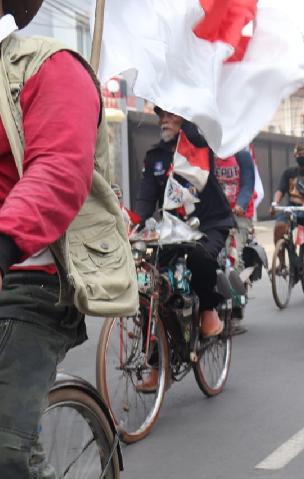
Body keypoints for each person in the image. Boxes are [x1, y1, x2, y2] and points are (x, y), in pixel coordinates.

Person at [0, 3, 105, 475]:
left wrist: (4, 244)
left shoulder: (48, 66)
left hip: (27, 282)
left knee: (4, 450)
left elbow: (59, 170)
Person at [136, 107, 234, 339]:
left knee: (200, 257)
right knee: (148, 273)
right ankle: (153, 352)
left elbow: (198, 131)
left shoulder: (199, 146)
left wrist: (188, 111)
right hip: (174, 228)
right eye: (162, 115)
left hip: (210, 223)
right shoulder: (154, 157)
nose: (165, 120)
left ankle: (209, 308)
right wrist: (137, 227)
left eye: (172, 114)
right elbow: (146, 198)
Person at [214, 148, 255, 335]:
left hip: (239, 216)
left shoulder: (242, 156)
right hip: (215, 215)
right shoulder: (208, 155)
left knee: (233, 260)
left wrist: (241, 204)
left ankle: (236, 312)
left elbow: (248, 184)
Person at [271, 142, 304, 246]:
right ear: (295, 156)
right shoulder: (289, 172)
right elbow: (280, 190)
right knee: (279, 228)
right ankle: (281, 261)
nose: (302, 156)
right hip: (292, 208)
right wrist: (275, 203)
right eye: (299, 154)